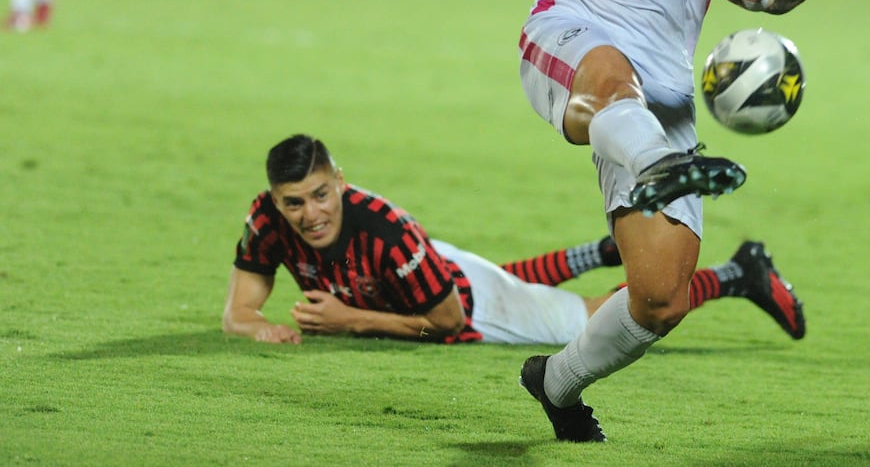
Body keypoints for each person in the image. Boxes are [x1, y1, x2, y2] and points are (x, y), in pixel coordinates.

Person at [430, 0, 809, 442]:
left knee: (661, 298)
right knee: (607, 80)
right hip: (568, 35)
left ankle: (557, 383)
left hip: (664, 92)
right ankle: (666, 164)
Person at [224, 134, 806, 345]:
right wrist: (259, 326)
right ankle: (599, 251)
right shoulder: (265, 218)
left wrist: (351, 319)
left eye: (322, 195)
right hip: (434, 277)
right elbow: (239, 313)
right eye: (294, 202)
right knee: (497, 275)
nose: (311, 214)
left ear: (341, 182)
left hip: (463, 303)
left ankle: (739, 274)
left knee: (588, 321)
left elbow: (449, 323)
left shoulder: (388, 235)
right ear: (275, 200)